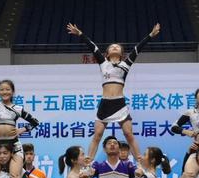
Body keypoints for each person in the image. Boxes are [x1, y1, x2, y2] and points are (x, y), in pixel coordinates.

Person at [66, 22, 160, 161]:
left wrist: (150, 35)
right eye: (111, 47)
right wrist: (80, 34)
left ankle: (140, 161)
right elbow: (93, 47)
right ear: (107, 53)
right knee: (97, 135)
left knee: (128, 134)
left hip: (119, 104)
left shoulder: (125, 64)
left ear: (122, 53)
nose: (114, 47)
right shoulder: (104, 64)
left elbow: (137, 49)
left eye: (117, 47)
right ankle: (88, 162)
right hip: (105, 104)